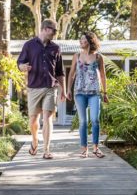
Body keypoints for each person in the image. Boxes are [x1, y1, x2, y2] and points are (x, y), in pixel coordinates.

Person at [17, 19, 66, 159]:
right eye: (54, 31)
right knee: (33, 120)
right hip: (33, 88)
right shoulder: (29, 45)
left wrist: (63, 89)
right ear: (45, 29)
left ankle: (46, 150)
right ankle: (34, 140)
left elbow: (60, 72)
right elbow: (20, 63)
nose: (55, 34)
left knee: (48, 118)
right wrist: (23, 67)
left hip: (50, 87)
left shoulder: (56, 48)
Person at [66, 32, 108, 158]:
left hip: (94, 92)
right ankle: (84, 149)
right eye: (80, 39)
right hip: (79, 92)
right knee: (83, 121)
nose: (80, 41)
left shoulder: (98, 57)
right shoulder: (76, 56)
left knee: (95, 120)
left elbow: (103, 75)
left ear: (90, 41)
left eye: (83, 39)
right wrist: (68, 89)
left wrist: (105, 92)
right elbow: (72, 74)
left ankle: (96, 148)